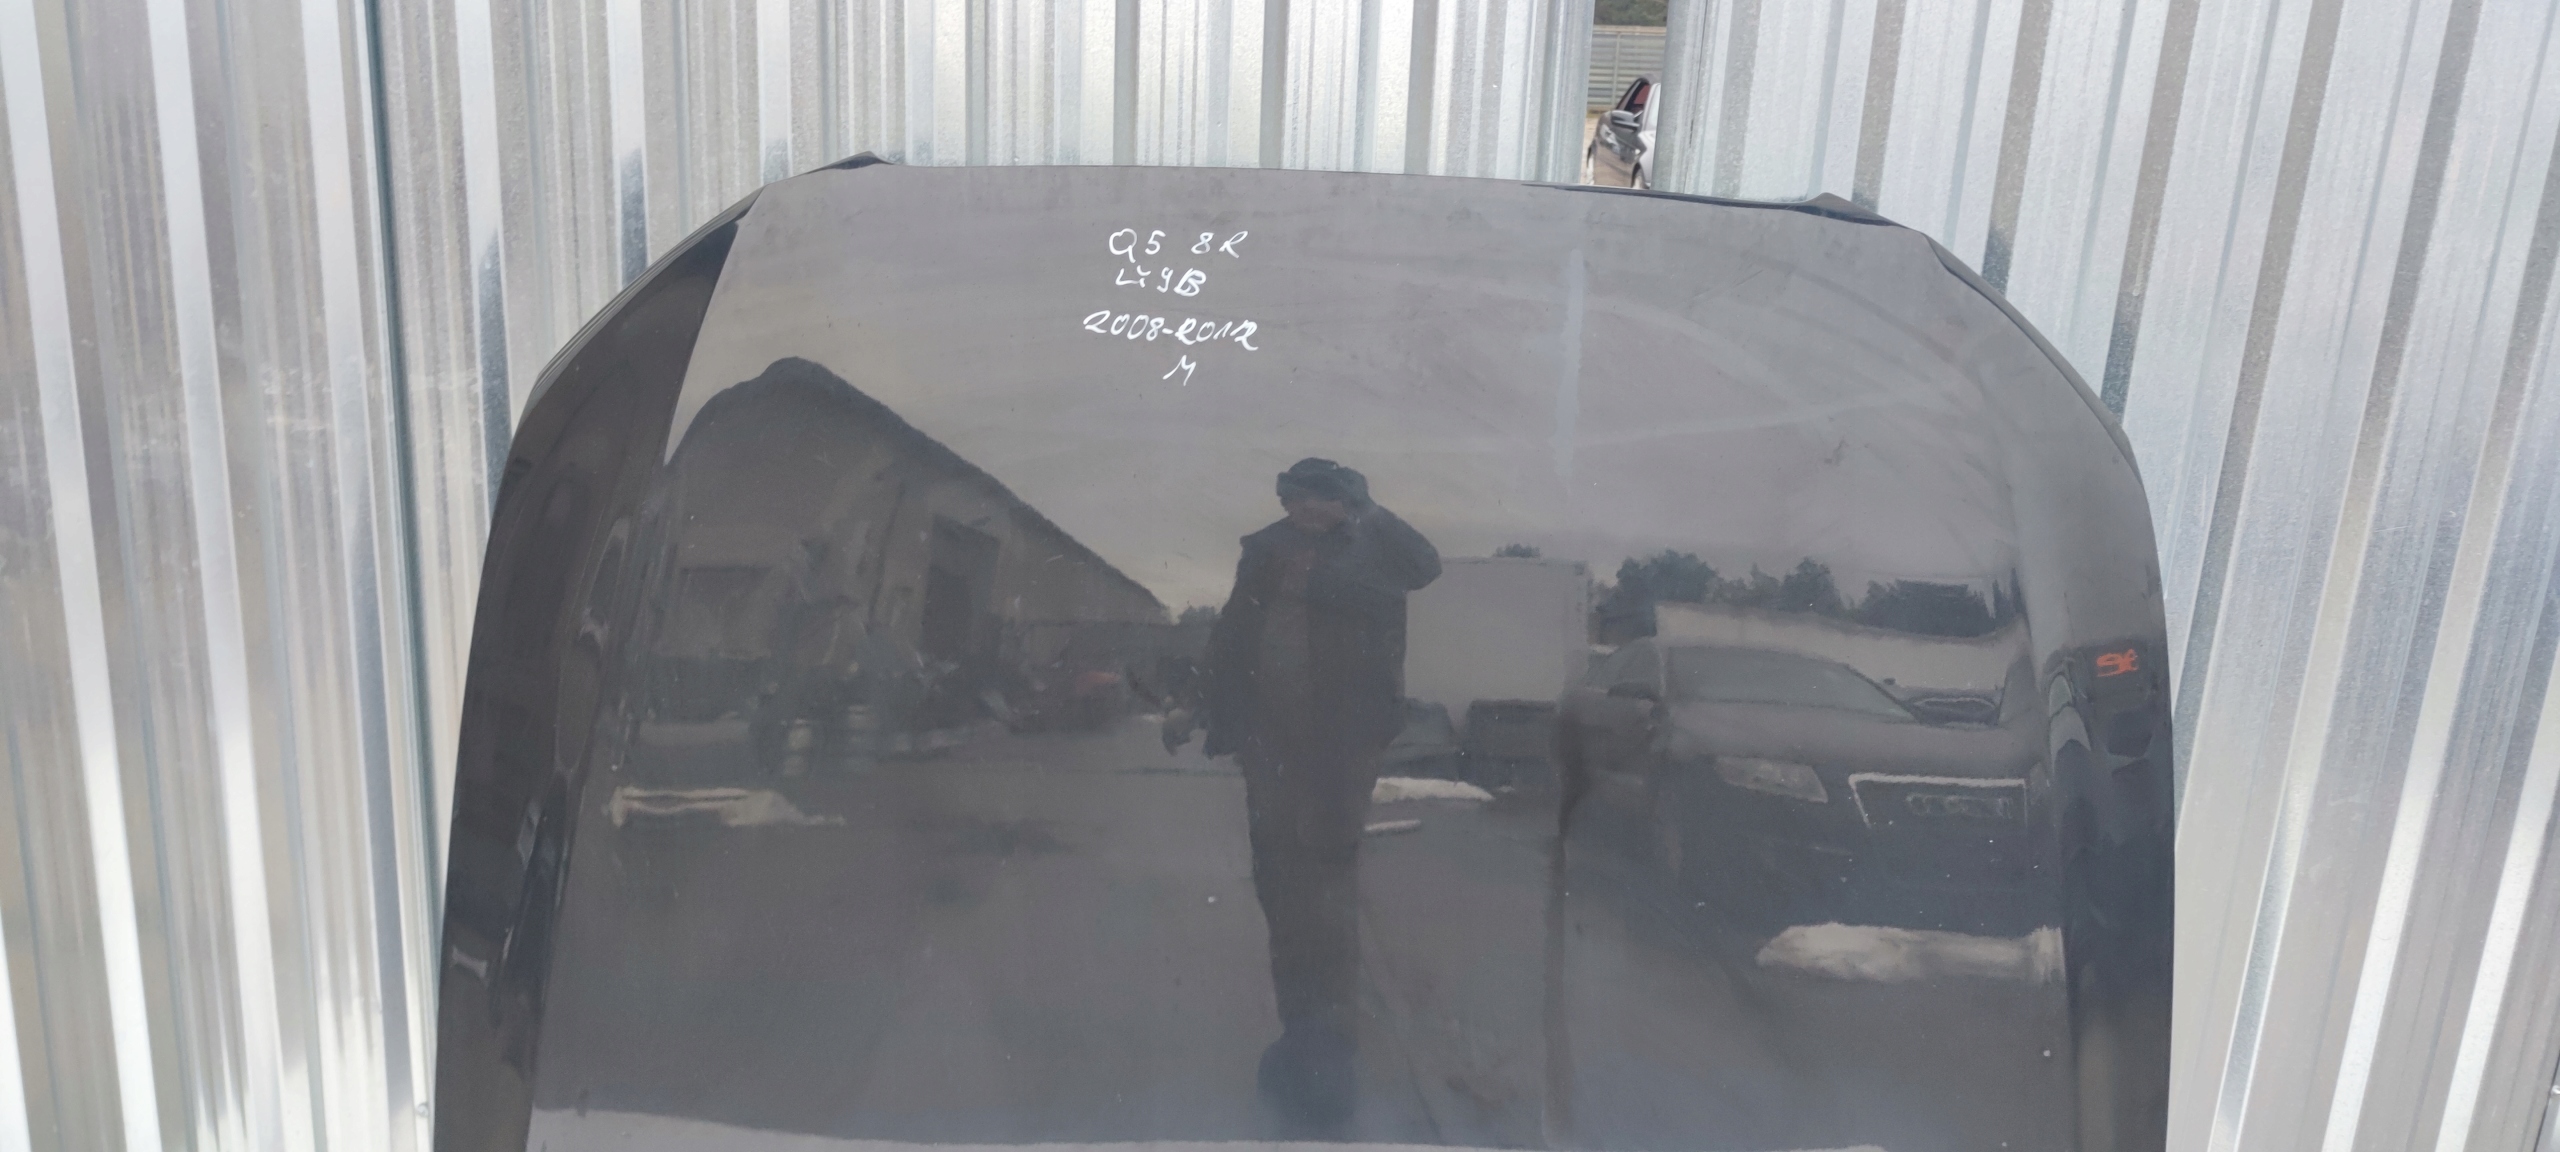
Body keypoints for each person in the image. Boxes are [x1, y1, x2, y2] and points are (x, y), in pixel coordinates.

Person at [1186, 457, 1440, 1129]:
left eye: (1318, 498)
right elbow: (1232, 634)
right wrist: (1200, 704)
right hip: (1269, 743)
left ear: (1345, 501)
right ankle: (1299, 1033)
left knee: (1323, 890)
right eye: (1293, 498)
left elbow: (1426, 566)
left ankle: (1329, 1049)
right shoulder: (1265, 552)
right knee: (1279, 885)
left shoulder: (1374, 550)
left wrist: (1369, 514)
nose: (1303, 509)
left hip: (1340, 745)